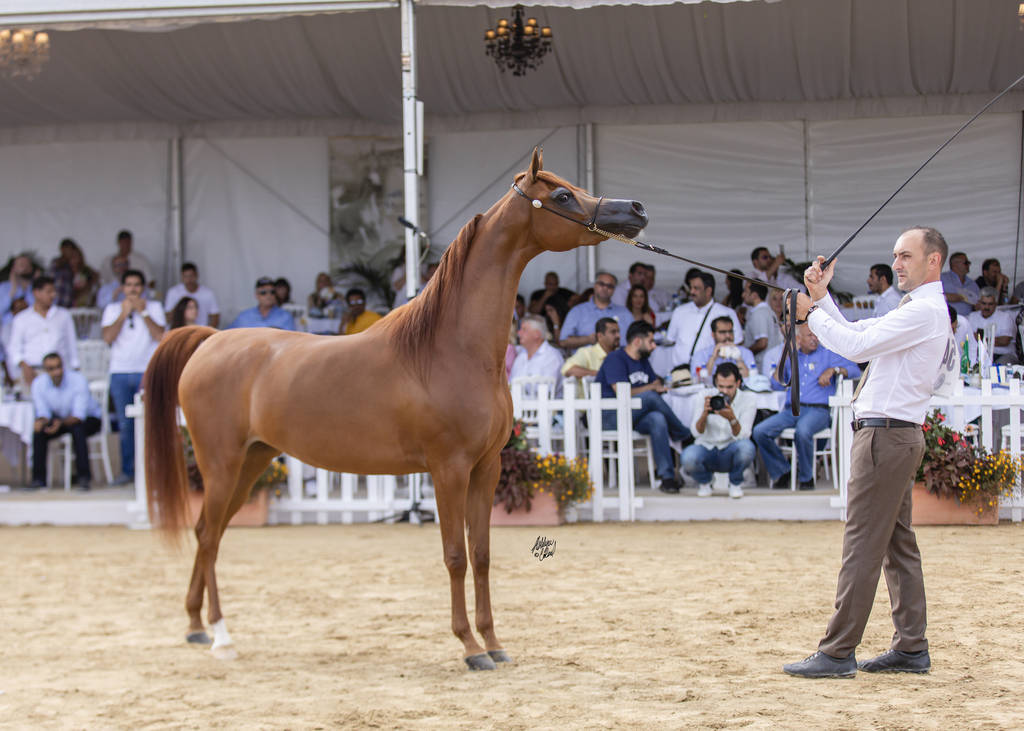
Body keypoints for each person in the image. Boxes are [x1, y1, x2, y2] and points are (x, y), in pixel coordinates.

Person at [783, 226, 954, 679]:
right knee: (898, 544)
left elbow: (855, 347)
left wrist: (808, 316)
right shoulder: (918, 310)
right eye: (895, 255)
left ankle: (838, 652)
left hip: (885, 437)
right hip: (893, 435)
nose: (896, 264)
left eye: (905, 256)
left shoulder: (923, 312)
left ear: (933, 261)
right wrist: (820, 297)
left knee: (862, 543)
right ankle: (911, 647)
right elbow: (860, 332)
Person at [751, 322, 859, 490]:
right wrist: (786, 355)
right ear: (798, 338)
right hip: (791, 410)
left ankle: (806, 478)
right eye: (810, 335)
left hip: (818, 410)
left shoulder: (828, 355)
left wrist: (834, 370)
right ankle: (783, 471)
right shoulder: (792, 357)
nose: (815, 339)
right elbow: (776, 384)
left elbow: (855, 371)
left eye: (816, 335)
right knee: (760, 431)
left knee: (803, 431)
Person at [596, 320, 692, 494]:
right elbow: (621, 391)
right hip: (610, 416)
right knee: (649, 396)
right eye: (651, 341)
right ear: (637, 342)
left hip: (632, 415)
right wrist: (650, 388)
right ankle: (684, 435)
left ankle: (667, 477)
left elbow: (654, 383)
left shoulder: (643, 361)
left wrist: (653, 387)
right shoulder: (615, 359)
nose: (654, 346)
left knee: (658, 419)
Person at [101, 269, 166, 485]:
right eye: (128, 285)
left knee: (151, 422)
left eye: (136, 285)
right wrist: (123, 314)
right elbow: (108, 338)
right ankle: (128, 471)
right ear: (122, 288)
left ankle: (150, 471)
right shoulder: (112, 309)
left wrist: (143, 312)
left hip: (146, 371)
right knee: (125, 424)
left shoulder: (154, 307)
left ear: (143, 287)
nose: (132, 289)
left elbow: (159, 335)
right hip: (119, 372)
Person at [680, 361, 756, 498]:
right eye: (721, 386)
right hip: (706, 448)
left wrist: (732, 418)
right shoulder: (705, 396)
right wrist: (704, 413)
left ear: (738, 383)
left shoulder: (749, 399)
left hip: (730, 450)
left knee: (747, 448)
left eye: (729, 387)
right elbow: (696, 433)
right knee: (688, 457)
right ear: (715, 382)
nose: (725, 391)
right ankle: (705, 483)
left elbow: (744, 436)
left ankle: (735, 484)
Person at [30, 352, 102, 491]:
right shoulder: (39, 384)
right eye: (51, 369)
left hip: (89, 418)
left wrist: (59, 424)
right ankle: (38, 480)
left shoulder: (78, 380)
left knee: (78, 429)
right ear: (46, 370)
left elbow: (79, 415)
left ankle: (84, 478)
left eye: (59, 367)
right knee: (38, 432)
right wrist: (42, 422)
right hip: (60, 420)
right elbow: (43, 412)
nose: (57, 372)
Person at [8, 275, 79, 385]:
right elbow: (14, 348)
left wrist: (75, 368)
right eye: (49, 292)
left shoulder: (64, 315)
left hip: (60, 372)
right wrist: (24, 366)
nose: (53, 295)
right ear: (36, 293)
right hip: (33, 372)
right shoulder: (21, 319)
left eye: (54, 291)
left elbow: (72, 344)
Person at [666, 270, 743, 371]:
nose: (691, 292)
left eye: (696, 288)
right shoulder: (679, 311)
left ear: (708, 291)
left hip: (712, 372)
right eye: (691, 288)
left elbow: (737, 342)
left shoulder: (726, 313)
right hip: (682, 372)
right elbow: (671, 339)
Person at [559, 272, 632, 349]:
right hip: (586, 360)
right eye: (601, 284)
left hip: (618, 360)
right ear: (594, 286)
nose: (605, 288)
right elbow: (563, 341)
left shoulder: (625, 313)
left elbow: (635, 341)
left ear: (614, 289)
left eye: (609, 286)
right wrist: (587, 340)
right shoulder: (577, 311)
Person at [561, 317, 620, 397]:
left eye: (618, 332)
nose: (618, 336)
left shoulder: (622, 354)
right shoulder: (587, 352)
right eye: (613, 332)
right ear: (600, 336)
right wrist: (600, 374)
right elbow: (568, 369)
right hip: (588, 407)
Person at [510, 315, 564, 397]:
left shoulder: (552, 357)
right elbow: (511, 384)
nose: (519, 333)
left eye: (524, 330)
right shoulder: (521, 356)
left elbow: (547, 392)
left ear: (537, 334)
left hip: (546, 408)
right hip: (519, 406)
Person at [691, 316, 756, 384]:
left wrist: (738, 358)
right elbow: (699, 383)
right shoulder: (701, 354)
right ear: (713, 335)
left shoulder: (746, 353)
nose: (728, 336)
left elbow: (750, 381)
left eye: (730, 331)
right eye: (722, 332)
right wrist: (713, 358)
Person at [742, 281, 782, 372]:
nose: (743, 295)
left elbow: (762, 343)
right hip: (772, 364)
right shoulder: (768, 311)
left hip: (762, 366)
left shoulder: (759, 313)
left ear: (754, 295)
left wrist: (744, 353)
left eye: (745, 291)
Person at [164, 262, 220, 328]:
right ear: (181, 277)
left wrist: (207, 334)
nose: (189, 280)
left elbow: (215, 316)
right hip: (179, 329)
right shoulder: (173, 292)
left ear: (197, 275)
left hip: (200, 332)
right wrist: (180, 304)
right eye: (186, 276)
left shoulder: (208, 293)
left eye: (191, 276)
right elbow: (167, 318)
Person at [967, 287, 1015, 363]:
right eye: (984, 303)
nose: (986, 307)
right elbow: (969, 338)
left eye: (990, 304)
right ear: (979, 303)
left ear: (996, 304)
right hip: (979, 354)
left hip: (1002, 354)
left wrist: (979, 339)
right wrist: (994, 340)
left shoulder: (1005, 317)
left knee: (997, 370)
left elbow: (1004, 341)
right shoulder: (972, 317)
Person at [227, 277, 296, 330]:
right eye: (263, 292)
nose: (268, 295)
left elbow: (291, 342)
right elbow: (228, 335)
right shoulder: (244, 316)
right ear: (256, 295)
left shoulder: (285, 316)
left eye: (272, 292)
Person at [50, 238, 98, 308]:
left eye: (75, 257)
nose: (74, 260)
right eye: (71, 258)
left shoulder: (85, 271)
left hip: (80, 306)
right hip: (61, 302)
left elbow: (92, 286)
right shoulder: (60, 266)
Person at [0, 254, 37, 325]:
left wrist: (27, 289)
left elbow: (42, 309)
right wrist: (13, 291)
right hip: (9, 327)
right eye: (21, 265)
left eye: (28, 265)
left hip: (32, 327)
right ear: (13, 269)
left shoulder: (38, 287)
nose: (25, 268)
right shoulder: (3, 287)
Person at [940, 251, 979, 317]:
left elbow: (978, 304)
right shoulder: (942, 279)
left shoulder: (972, 284)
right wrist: (960, 297)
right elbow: (932, 296)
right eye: (966, 263)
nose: (969, 265)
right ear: (955, 265)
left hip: (967, 320)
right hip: (947, 320)